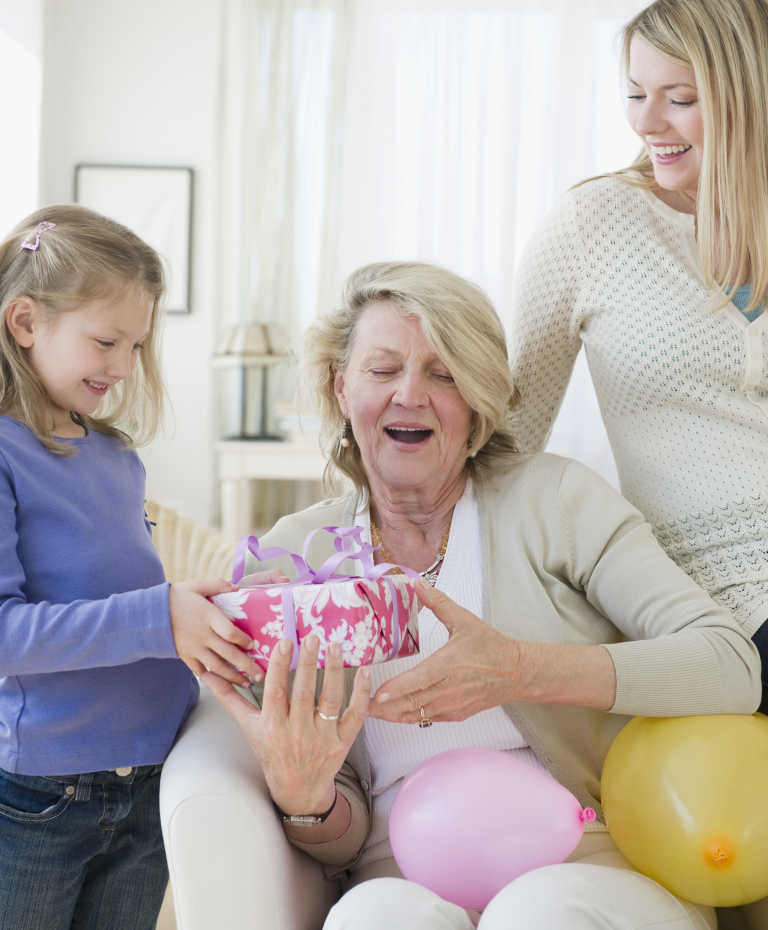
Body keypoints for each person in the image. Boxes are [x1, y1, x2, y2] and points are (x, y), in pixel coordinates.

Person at [204, 260, 761, 930]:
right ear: (342, 388)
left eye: (444, 374)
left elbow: (731, 666)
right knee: (371, 918)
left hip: (588, 859)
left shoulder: (554, 500)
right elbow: (340, 835)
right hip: (398, 867)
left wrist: (518, 670)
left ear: (477, 405)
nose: (411, 393)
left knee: (538, 913)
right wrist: (306, 796)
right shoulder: (301, 554)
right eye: (384, 370)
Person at [0, 205, 281, 930]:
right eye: (106, 341)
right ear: (25, 322)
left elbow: (130, 604)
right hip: (38, 796)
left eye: (136, 344)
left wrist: (222, 611)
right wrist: (162, 614)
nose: (124, 367)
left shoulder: (118, 459)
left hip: (149, 781)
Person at [507, 0, 768, 709]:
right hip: (721, 601)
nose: (646, 122)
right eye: (634, 93)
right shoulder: (596, 224)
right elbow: (507, 435)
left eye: (680, 99)